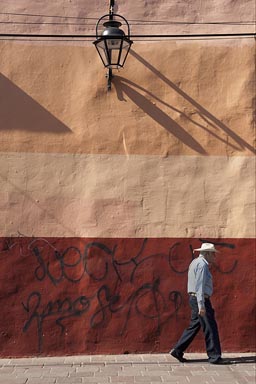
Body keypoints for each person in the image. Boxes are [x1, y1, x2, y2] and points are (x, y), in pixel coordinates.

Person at [170, 242, 223, 364]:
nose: (214, 257)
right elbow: (199, 286)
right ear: (208, 253)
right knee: (210, 327)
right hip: (201, 299)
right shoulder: (202, 265)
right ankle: (214, 356)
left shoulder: (195, 262)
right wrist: (201, 305)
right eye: (213, 254)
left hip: (195, 298)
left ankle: (178, 350)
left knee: (194, 326)